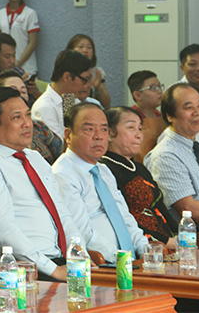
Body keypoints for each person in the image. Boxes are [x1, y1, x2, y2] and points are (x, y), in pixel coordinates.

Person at [0, 87, 80, 281]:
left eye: (28, 115)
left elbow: (62, 213)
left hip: (58, 262)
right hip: (19, 269)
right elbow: (3, 228)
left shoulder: (35, 158)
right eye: (17, 118)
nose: (27, 124)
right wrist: (52, 270)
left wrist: (79, 254)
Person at [52, 103, 149, 262]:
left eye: (104, 129)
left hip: (129, 261)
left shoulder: (103, 170)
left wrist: (146, 251)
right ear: (68, 135)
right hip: (103, 264)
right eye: (89, 129)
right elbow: (81, 232)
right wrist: (125, 261)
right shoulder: (62, 174)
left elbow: (124, 217)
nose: (99, 136)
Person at [144, 84, 199, 227]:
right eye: (189, 107)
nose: (198, 112)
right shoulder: (165, 155)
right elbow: (187, 207)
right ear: (170, 116)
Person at [100, 107, 177, 248]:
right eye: (131, 127)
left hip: (168, 241)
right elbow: (124, 217)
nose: (138, 135)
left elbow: (160, 206)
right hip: (144, 245)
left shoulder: (139, 168)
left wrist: (179, 235)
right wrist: (166, 242)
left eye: (140, 129)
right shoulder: (105, 169)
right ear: (110, 133)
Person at [0, 70, 62, 165]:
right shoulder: (44, 106)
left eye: (23, 91)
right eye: (13, 91)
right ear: (67, 77)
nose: (19, 95)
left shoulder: (38, 126)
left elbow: (63, 152)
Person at [31, 50, 93, 139]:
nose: (87, 85)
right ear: (67, 77)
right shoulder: (44, 108)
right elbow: (59, 145)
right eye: (84, 79)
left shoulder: (71, 100)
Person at [0, 0, 39, 74]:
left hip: (27, 68)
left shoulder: (30, 13)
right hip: (5, 68)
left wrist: (17, 63)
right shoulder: (0, 14)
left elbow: (33, 43)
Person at [66, 34, 111, 109]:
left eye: (89, 47)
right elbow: (67, 105)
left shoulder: (96, 72)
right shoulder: (65, 72)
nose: (85, 50)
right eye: (80, 47)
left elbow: (106, 105)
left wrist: (97, 88)